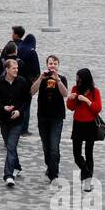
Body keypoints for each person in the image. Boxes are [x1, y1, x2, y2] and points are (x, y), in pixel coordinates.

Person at [0, 57, 32, 187]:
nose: (16, 70)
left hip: (18, 120)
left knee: (11, 146)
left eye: (17, 68)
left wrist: (19, 111)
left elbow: (27, 100)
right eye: (14, 68)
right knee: (10, 145)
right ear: (7, 69)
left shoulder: (22, 82)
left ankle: (8, 175)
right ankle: (17, 166)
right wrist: (2, 107)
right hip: (3, 119)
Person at [33, 54, 68, 184]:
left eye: (55, 64)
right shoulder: (41, 78)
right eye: (50, 63)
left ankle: (54, 173)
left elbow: (65, 94)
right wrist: (40, 78)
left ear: (58, 66)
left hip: (57, 117)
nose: (52, 66)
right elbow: (32, 92)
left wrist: (57, 80)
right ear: (47, 65)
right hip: (42, 116)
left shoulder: (62, 78)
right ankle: (51, 166)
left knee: (54, 146)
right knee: (46, 146)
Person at [67, 67, 103, 193]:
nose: (77, 82)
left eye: (80, 80)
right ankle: (87, 172)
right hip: (77, 125)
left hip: (90, 125)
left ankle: (87, 182)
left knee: (89, 153)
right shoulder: (75, 89)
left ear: (86, 80)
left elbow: (97, 109)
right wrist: (71, 98)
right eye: (77, 80)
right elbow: (70, 107)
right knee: (77, 155)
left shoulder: (95, 92)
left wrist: (87, 100)